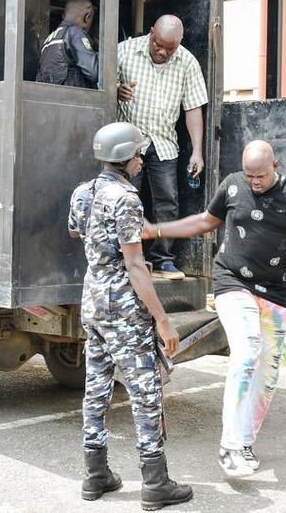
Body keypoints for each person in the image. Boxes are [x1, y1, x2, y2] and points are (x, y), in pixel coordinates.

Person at [145, 140, 286, 478]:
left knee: (268, 375)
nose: (254, 182)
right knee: (247, 350)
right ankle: (229, 446)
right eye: (250, 175)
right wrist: (157, 229)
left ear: (276, 165)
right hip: (232, 282)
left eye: (261, 176)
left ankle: (244, 442)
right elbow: (203, 222)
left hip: (275, 290)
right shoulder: (232, 185)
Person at [67, 121, 193, 510]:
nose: (142, 159)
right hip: (123, 307)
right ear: (126, 158)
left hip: (93, 300)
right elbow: (136, 265)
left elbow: (75, 233)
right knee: (144, 390)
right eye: (139, 153)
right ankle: (155, 481)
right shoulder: (126, 199)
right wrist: (162, 318)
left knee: (97, 387)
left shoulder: (82, 192)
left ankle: (95, 474)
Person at [117, 14, 208, 280]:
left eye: (170, 48)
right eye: (159, 44)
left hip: (164, 142)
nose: (163, 51)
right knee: (127, 201)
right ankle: (127, 259)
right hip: (129, 142)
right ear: (151, 33)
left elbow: (193, 108)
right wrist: (117, 89)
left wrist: (197, 151)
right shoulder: (124, 51)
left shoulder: (187, 62)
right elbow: (100, 86)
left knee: (167, 202)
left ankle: (163, 259)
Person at [36, 0, 98, 88]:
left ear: (63, 16)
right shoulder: (75, 33)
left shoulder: (49, 40)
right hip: (73, 100)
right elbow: (94, 72)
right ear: (87, 17)